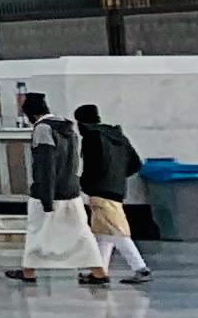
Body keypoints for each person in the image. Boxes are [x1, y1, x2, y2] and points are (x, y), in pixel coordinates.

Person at [8, 95, 101, 287]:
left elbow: (46, 165)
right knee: (81, 232)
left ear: (31, 114)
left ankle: (28, 271)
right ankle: (98, 271)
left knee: (36, 230)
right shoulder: (69, 129)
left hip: (49, 191)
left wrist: (46, 198)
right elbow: (73, 161)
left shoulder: (43, 129)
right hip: (71, 191)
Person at [76, 105, 154, 284]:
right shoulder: (117, 136)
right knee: (103, 233)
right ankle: (99, 271)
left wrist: (86, 183)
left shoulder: (91, 137)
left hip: (99, 190)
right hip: (117, 190)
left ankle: (140, 268)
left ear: (81, 122)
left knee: (117, 232)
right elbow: (135, 164)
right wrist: (117, 177)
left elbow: (92, 167)